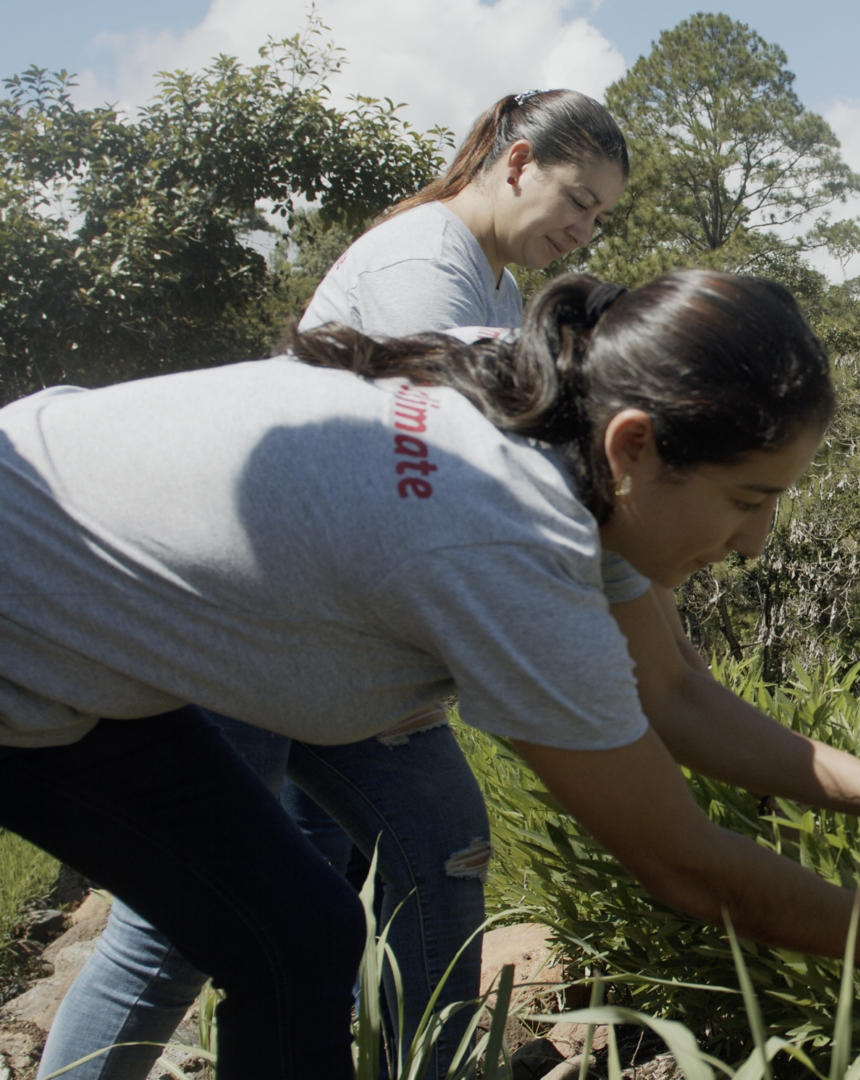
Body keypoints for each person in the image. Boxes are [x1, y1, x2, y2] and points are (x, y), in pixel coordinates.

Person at [0, 270, 860, 1080]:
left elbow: (673, 693)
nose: (754, 544)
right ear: (636, 448)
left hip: (60, 591)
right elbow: (679, 860)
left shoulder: (546, 400)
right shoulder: (499, 542)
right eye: (747, 499)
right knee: (288, 937)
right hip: (21, 625)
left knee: (294, 936)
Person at [36, 88, 632, 1080]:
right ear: (518, 161)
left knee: (429, 850)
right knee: (184, 925)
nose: (584, 227)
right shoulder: (423, 265)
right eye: (578, 198)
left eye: (602, 217)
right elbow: (446, 468)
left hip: (336, 636)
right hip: (258, 619)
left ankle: (417, 1063)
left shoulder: (486, 280)